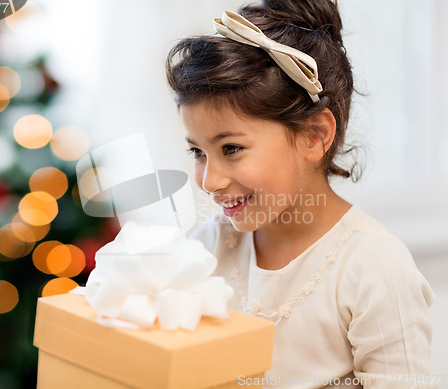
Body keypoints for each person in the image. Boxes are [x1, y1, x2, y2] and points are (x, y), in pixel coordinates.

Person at [165, 0, 437, 388]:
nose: (209, 181)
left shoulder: (373, 269)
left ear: (314, 136)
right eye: (197, 152)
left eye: (231, 149)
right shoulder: (207, 249)